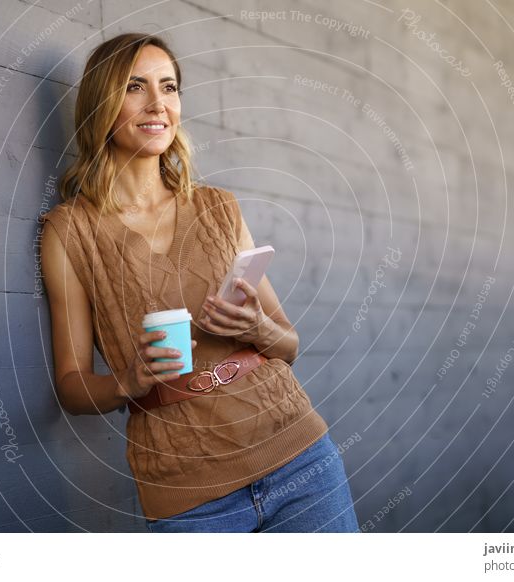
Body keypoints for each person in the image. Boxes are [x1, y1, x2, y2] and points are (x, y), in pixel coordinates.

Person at [40, 32, 359, 533]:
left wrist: (258, 326)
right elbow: (72, 385)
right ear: (101, 104)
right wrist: (128, 380)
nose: (157, 104)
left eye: (169, 87)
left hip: (298, 456)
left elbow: (288, 344)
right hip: (188, 491)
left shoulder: (218, 207)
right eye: (134, 87)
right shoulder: (69, 231)